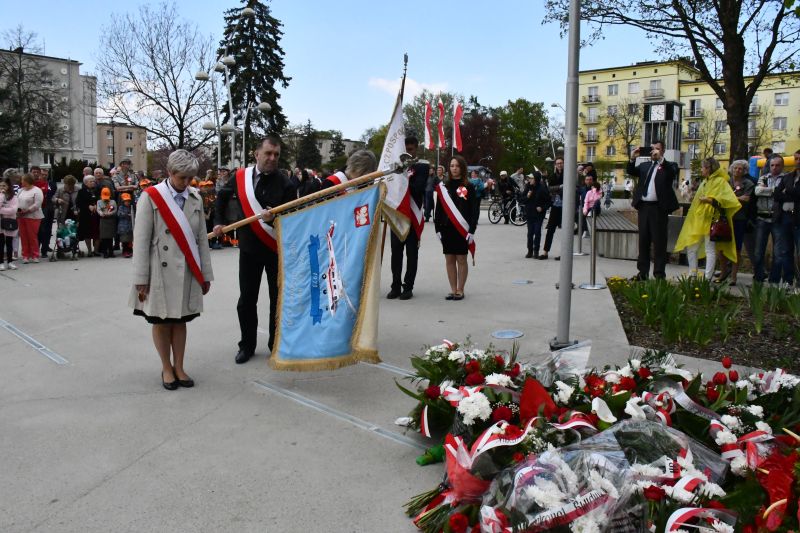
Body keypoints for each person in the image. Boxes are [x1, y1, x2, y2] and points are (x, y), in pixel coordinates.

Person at [131, 149, 213, 390]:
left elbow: (201, 240)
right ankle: (166, 367)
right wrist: (141, 277)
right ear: (169, 172)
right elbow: (141, 240)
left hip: (186, 269)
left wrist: (205, 275)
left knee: (180, 320)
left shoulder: (195, 198)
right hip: (158, 270)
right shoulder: (151, 197)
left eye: (190, 178)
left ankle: (180, 366)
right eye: (181, 177)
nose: (186, 183)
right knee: (161, 321)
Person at [213, 135, 297, 364]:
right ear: (256, 154)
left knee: (277, 300)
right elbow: (221, 198)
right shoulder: (241, 177)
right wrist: (218, 221)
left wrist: (273, 219)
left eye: (276, 154)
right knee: (246, 300)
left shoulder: (287, 184)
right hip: (249, 249)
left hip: (275, 251)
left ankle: (275, 345)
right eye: (268, 153)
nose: (272, 158)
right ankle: (247, 345)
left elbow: (292, 220)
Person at [674, 158, 739, 279]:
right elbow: (697, 201)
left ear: (709, 168)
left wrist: (709, 200)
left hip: (712, 220)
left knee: (710, 249)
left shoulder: (721, 181)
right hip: (699, 220)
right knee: (691, 247)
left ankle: (707, 278)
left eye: (703, 167)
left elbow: (728, 200)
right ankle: (692, 274)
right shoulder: (705, 182)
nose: (701, 170)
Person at [627, 140, 680, 280]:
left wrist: (661, 160)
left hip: (659, 209)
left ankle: (659, 275)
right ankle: (642, 273)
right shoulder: (645, 165)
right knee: (643, 241)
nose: (654, 151)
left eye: (657, 149)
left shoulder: (669, 165)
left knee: (659, 242)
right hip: (644, 207)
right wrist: (632, 158)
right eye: (652, 149)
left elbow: (671, 173)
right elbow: (631, 171)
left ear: (663, 151)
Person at [387, 136, 429, 300]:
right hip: (398, 215)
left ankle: (408, 287)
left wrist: (402, 175)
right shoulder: (394, 167)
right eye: (405, 150)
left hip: (412, 215)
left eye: (410, 150)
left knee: (411, 255)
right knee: (396, 254)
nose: (408, 153)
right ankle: (395, 286)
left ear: (416, 149)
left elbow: (418, 187)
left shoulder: (422, 166)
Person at [434, 155, 477, 301]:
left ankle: (460, 289)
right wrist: (437, 229)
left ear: (462, 168)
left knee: (461, 259)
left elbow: (474, 210)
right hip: (446, 228)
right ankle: (453, 289)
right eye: (452, 166)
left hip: (462, 229)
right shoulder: (443, 187)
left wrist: (472, 230)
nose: (454, 168)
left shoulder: (469, 186)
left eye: (457, 166)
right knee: (449, 259)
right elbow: (438, 209)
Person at [715, 160, 755, 285]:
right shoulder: (726, 181)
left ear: (744, 171)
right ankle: (723, 272)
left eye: (740, 169)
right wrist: (736, 199)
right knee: (721, 248)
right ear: (731, 169)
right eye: (735, 168)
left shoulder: (748, 183)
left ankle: (733, 276)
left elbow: (746, 198)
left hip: (739, 219)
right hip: (724, 218)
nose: (737, 170)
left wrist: (729, 198)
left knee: (736, 248)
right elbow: (719, 196)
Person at [753, 156, 786, 283]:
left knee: (778, 253)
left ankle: (774, 280)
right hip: (762, 218)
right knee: (758, 252)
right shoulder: (764, 178)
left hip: (778, 219)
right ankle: (759, 277)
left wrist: (766, 191)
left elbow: (785, 193)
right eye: (772, 165)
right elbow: (757, 191)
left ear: (782, 166)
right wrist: (775, 191)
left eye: (777, 165)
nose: (774, 168)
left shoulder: (786, 178)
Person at [771, 150, 800, 285]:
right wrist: (791, 194)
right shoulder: (788, 177)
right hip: (785, 217)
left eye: (799, 158)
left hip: (798, 218)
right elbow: (777, 194)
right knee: (786, 251)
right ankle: (789, 281)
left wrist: (787, 192)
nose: (798, 161)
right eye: (796, 158)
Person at [540, 157, 565, 260]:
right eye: (558, 163)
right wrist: (560, 187)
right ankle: (545, 252)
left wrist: (556, 188)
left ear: (564, 164)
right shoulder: (553, 176)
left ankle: (564, 254)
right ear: (555, 165)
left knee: (565, 231)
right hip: (555, 205)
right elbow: (549, 189)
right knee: (550, 229)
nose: (559, 165)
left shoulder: (567, 175)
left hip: (565, 206)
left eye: (561, 163)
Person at [16, 174, 44, 264]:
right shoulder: (20, 190)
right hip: (21, 216)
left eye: (22, 180)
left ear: (27, 181)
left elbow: (37, 204)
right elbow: (16, 201)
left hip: (33, 216)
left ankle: (35, 255)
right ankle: (25, 255)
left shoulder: (37, 190)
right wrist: (18, 210)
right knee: (23, 236)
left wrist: (27, 210)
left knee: (32, 236)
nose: (21, 181)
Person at [523, 172, 550, 258]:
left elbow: (549, 201)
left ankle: (536, 251)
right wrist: (527, 197)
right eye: (529, 178)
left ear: (536, 179)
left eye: (531, 178)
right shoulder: (528, 187)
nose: (529, 180)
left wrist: (542, 208)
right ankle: (530, 250)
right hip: (529, 214)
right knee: (530, 233)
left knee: (537, 232)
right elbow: (522, 199)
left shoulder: (542, 188)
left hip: (538, 215)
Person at [76, 174, 100, 256]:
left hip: (97, 215)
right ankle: (89, 251)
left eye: (94, 181)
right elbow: (78, 203)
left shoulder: (97, 190)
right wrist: (87, 206)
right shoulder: (81, 191)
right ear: (86, 183)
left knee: (97, 233)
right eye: (91, 181)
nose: (93, 182)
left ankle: (96, 251)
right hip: (86, 215)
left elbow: (101, 199)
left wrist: (97, 205)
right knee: (87, 234)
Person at [0, 179, 19, 271]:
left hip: (9, 222)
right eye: (0, 186)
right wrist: (1, 196)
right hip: (0, 222)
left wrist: (1, 210)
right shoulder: (0, 196)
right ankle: (1, 263)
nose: (2, 188)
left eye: (4, 186)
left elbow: (13, 210)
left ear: (8, 187)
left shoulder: (13, 197)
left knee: (9, 243)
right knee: (0, 243)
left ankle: (10, 262)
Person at [96, 187, 118, 258]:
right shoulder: (99, 202)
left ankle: (111, 252)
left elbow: (115, 210)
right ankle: (105, 252)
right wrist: (101, 213)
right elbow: (98, 209)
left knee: (110, 237)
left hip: (111, 220)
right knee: (104, 238)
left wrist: (109, 213)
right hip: (103, 221)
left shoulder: (113, 202)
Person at [117, 193, 134, 258]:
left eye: (128, 201)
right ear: (123, 201)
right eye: (126, 201)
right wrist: (127, 214)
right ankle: (125, 251)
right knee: (124, 240)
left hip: (130, 226)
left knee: (130, 240)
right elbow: (119, 214)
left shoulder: (131, 207)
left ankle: (130, 251)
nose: (128, 202)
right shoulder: (121, 207)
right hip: (123, 227)